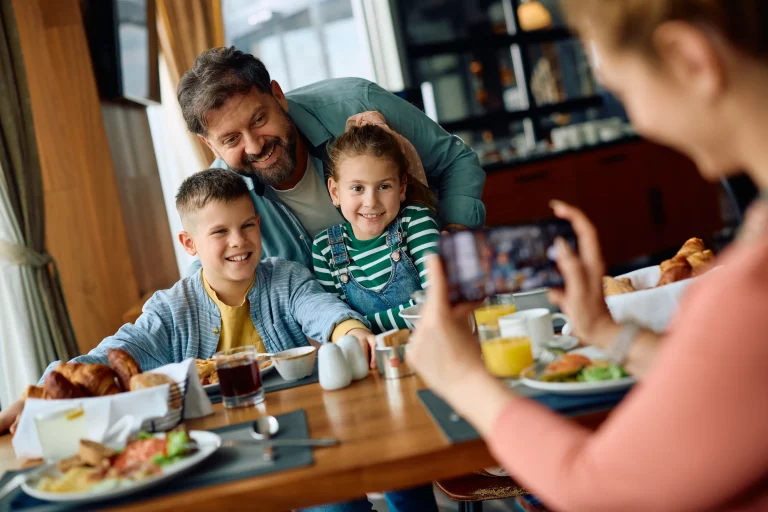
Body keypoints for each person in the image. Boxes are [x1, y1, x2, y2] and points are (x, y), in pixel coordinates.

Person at [406, 0, 768, 510]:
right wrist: (607, 332)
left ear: (689, 59)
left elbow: (598, 491)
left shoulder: (752, 288)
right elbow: (733, 386)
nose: (636, 118)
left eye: (619, 90)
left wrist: (462, 379)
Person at [0, 169, 373, 434]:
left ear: (258, 225)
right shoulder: (170, 309)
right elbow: (110, 355)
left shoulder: (286, 278)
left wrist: (351, 331)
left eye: (247, 225)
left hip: (300, 427)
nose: (238, 241)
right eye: (219, 232)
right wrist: (35, 396)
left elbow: (321, 310)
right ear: (189, 244)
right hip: (211, 441)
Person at [177, 47, 485, 269]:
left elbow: (455, 160)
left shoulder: (357, 103)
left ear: (278, 96)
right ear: (210, 145)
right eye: (231, 139)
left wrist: (456, 234)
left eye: (259, 119)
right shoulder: (218, 196)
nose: (255, 146)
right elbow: (205, 274)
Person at [312, 124, 440, 337]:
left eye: (384, 186)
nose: (371, 202)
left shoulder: (416, 221)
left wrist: (360, 326)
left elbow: (438, 302)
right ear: (335, 192)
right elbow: (334, 321)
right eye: (357, 188)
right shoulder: (324, 248)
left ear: (402, 187)